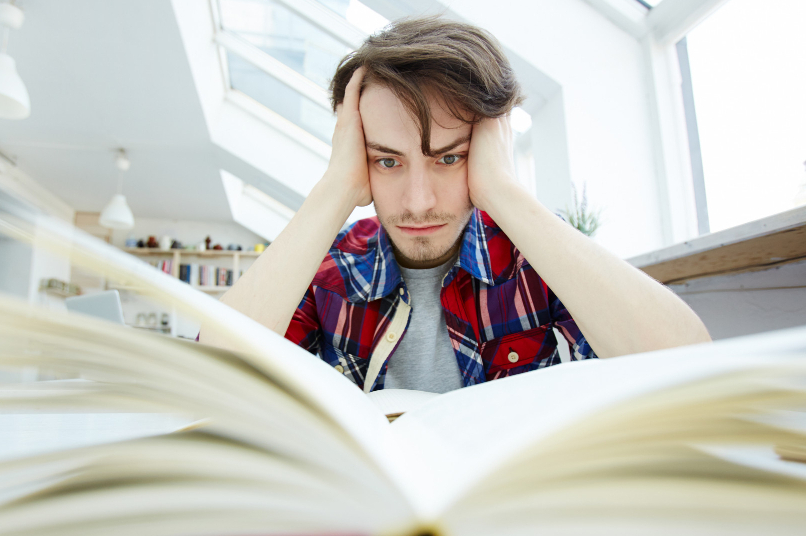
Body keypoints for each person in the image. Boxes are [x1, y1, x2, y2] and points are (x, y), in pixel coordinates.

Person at [200, 17, 711, 393]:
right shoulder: (331, 270)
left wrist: (502, 189)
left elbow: (688, 372)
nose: (418, 203)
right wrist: (334, 188)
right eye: (387, 162)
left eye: (449, 159)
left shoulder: (532, 256)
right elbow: (209, 383)